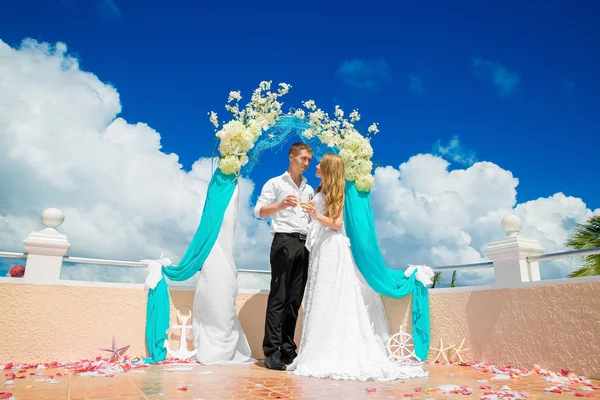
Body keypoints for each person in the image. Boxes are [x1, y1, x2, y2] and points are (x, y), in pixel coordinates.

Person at [287, 153, 428, 381]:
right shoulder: (320, 191)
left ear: (330, 168)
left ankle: (332, 350)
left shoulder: (338, 192)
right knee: (319, 296)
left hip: (333, 248)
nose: (317, 165)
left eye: (321, 163)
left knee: (332, 296)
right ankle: (316, 348)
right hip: (321, 249)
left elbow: (337, 224)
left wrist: (315, 214)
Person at [254, 142, 314, 370]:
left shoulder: (309, 189)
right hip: (283, 242)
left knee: (294, 300)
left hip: (304, 244)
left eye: (309, 159)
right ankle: (271, 352)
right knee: (279, 297)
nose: (306, 163)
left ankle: (289, 351)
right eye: (303, 158)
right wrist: (279, 205)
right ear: (291, 157)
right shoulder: (275, 183)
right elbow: (258, 211)